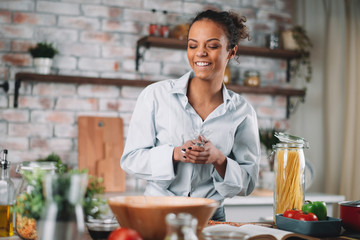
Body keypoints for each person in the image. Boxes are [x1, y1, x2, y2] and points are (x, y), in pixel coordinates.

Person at [121, 9, 260, 221]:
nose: (200, 53)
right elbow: (130, 160)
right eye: (193, 45)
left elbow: (248, 183)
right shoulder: (155, 95)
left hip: (210, 220)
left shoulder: (243, 112)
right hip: (156, 215)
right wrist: (175, 154)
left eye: (212, 46)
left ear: (231, 51)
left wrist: (218, 159)